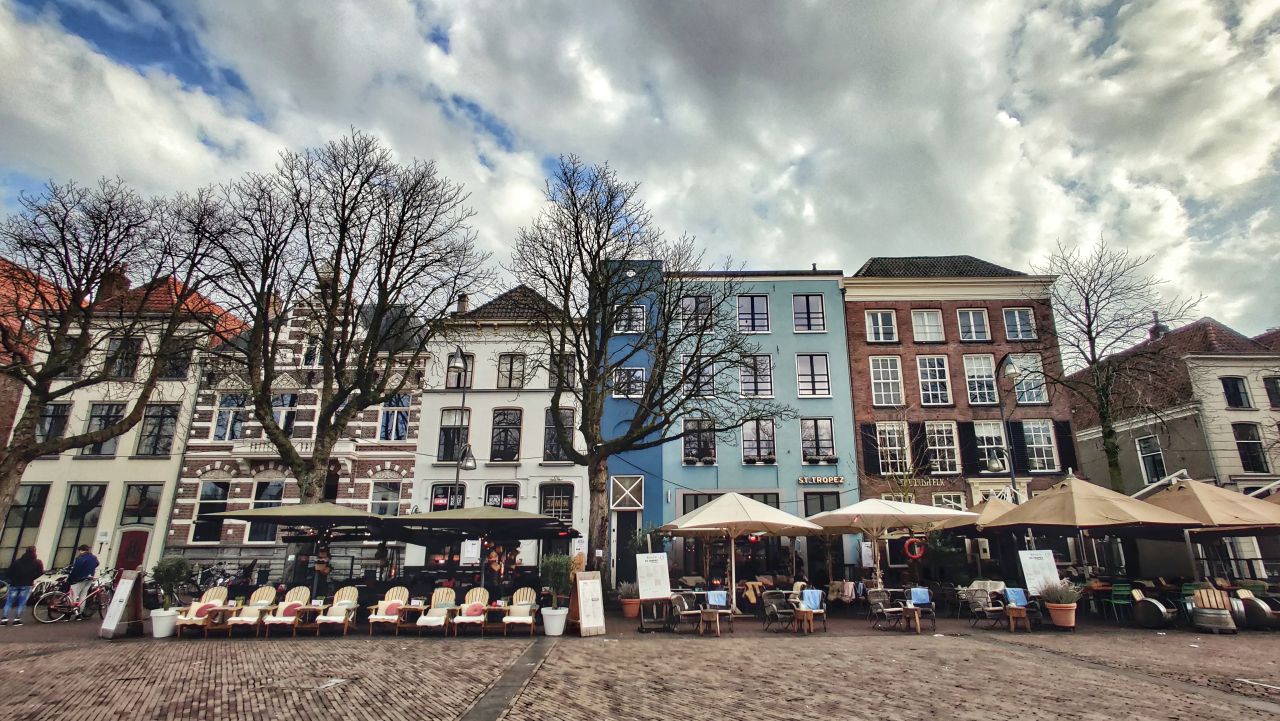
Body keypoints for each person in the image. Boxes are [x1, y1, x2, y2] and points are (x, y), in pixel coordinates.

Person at [2, 547, 43, 626]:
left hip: (14, 584)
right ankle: (17, 620)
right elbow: (40, 573)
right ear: (35, 552)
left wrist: (12, 580)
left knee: (9, 602)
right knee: (22, 602)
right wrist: (32, 578)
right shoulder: (37, 562)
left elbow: (8, 573)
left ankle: (4, 619)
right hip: (27, 584)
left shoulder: (17, 562)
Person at [67, 544, 99, 613]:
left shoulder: (80, 558)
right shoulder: (94, 557)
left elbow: (75, 569)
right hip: (89, 578)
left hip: (79, 579)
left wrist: (70, 579)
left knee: (73, 595)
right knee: (83, 595)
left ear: (81, 550)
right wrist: (90, 569)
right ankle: (80, 612)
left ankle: (71, 612)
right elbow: (97, 563)